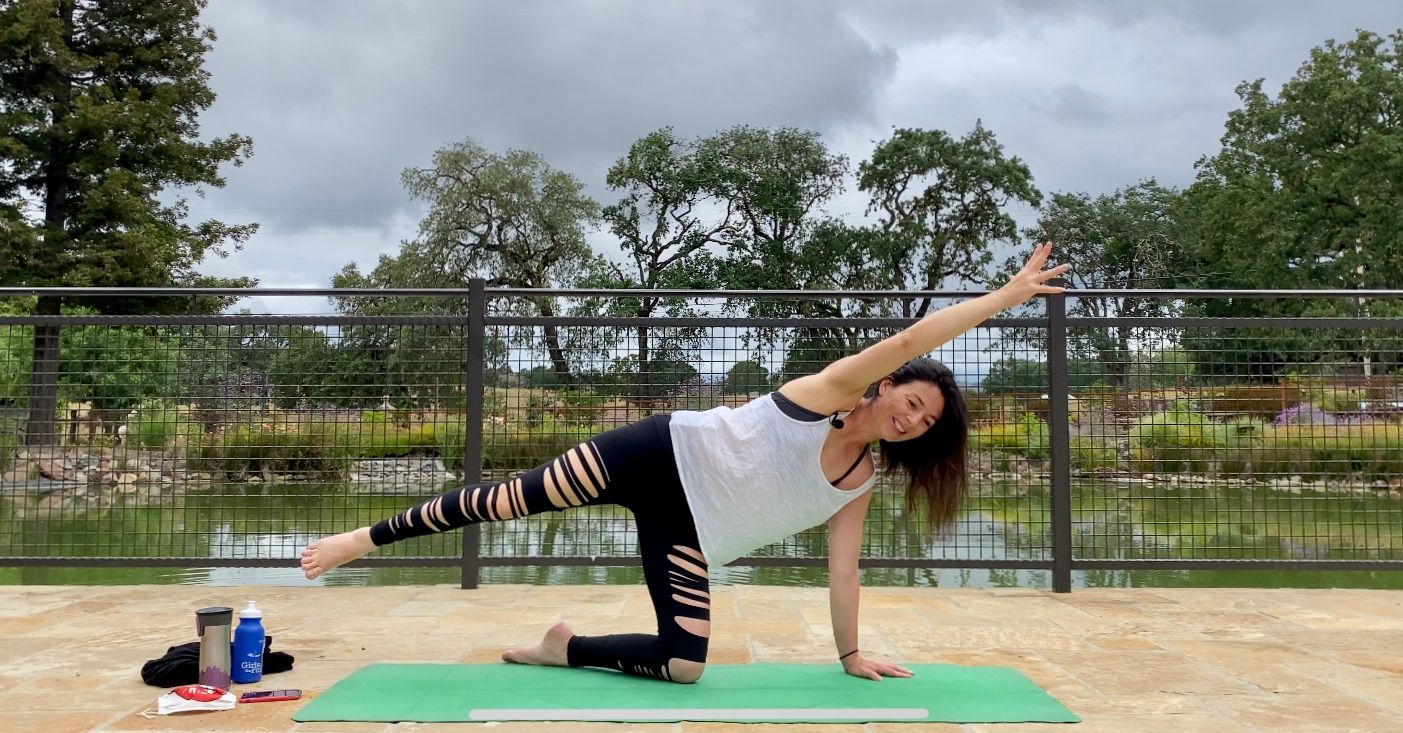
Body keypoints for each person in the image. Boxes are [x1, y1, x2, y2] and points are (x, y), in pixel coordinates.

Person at [301, 243, 1069, 684]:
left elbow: (844, 571)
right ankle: (356, 540)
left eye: (925, 424)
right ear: (888, 385)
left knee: (684, 664)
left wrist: (849, 652)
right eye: (912, 401)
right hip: (655, 454)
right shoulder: (828, 387)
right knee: (505, 501)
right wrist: (1001, 297)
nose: (911, 418)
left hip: (687, 532)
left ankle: (562, 646)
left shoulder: (857, 480)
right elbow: (908, 340)